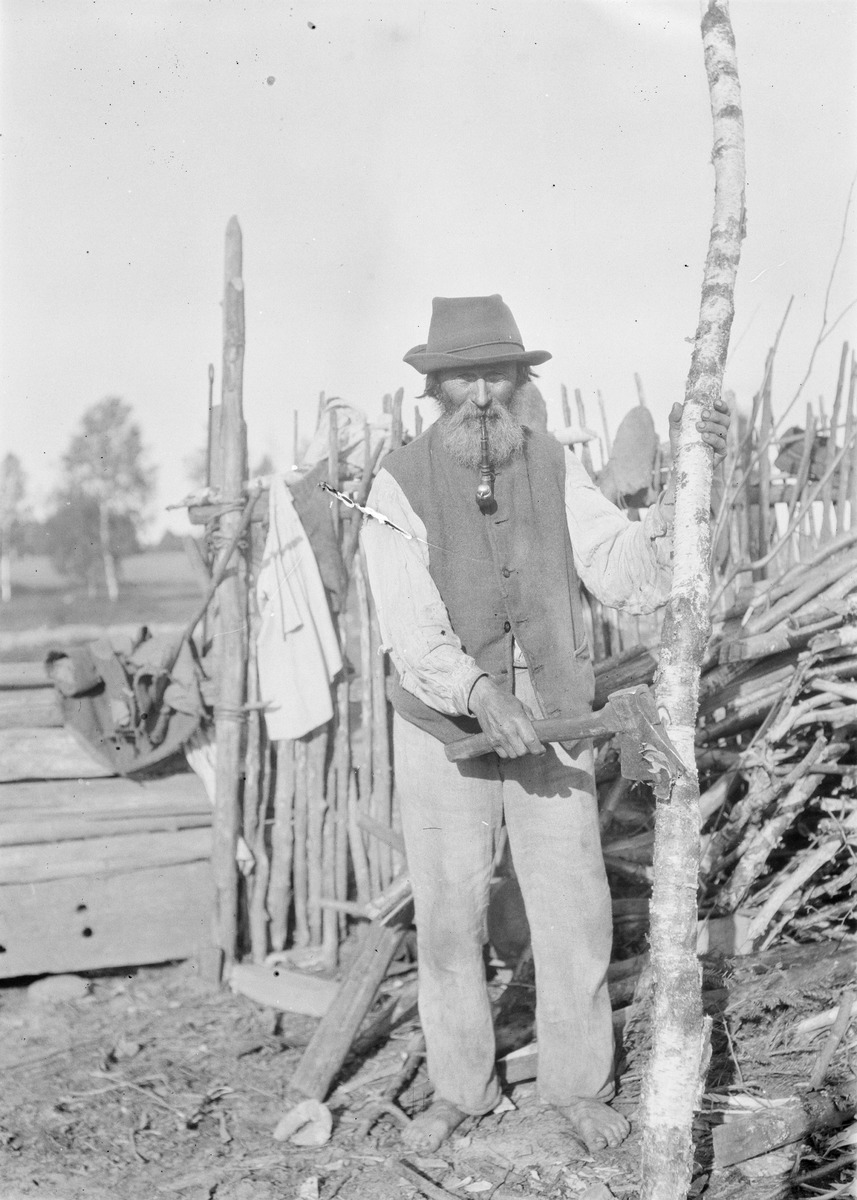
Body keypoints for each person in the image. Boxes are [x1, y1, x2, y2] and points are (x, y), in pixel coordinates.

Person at [360, 294, 729, 1157]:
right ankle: (462, 1091)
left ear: (522, 382)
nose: (482, 393)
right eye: (464, 377)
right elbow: (411, 634)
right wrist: (483, 695)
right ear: (434, 389)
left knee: (571, 908)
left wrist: (674, 506)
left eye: (498, 374)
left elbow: (622, 571)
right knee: (451, 917)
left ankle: (574, 1089)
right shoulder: (393, 483)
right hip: (440, 723)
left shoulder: (556, 466)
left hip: (555, 712)